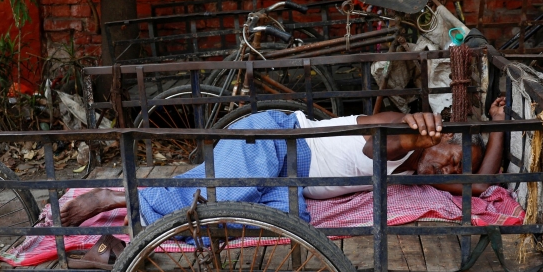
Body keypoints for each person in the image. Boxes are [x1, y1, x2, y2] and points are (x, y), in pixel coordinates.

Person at [59, 98, 506, 229]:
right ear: (444, 136)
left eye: (449, 173)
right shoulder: (396, 126)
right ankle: (114, 197)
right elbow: (376, 148)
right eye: (449, 160)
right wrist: (412, 132)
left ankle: (140, 203)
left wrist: (502, 124)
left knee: (280, 223)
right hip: (278, 141)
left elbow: (481, 187)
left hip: (291, 186)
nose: (441, 173)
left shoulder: (421, 170)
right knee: (226, 199)